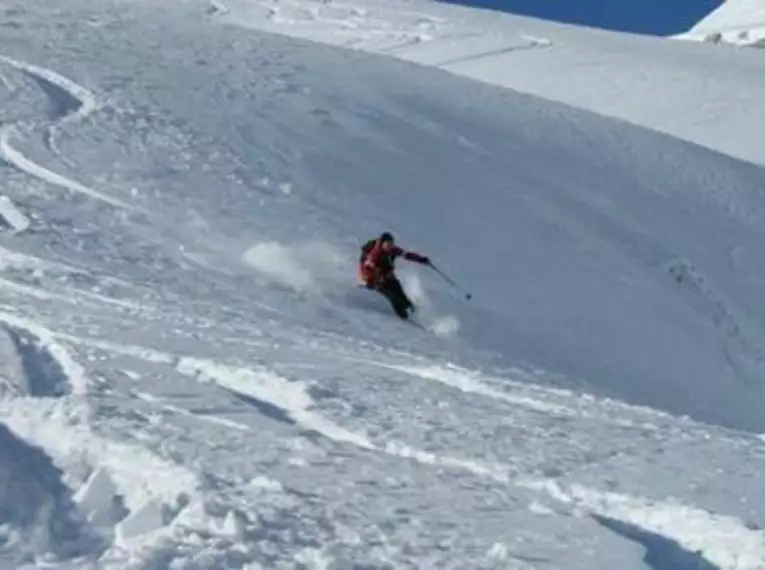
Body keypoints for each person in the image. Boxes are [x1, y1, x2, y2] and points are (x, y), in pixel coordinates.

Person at [358, 232, 430, 319]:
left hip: (386, 275)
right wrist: (370, 281)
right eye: (387, 244)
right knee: (392, 296)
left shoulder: (393, 250)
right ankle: (403, 317)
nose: (389, 246)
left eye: (391, 244)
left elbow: (407, 255)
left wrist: (421, 259)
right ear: (382, 243)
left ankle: (411, 308)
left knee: (399, 291)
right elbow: (367, 268)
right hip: (374, 278)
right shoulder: (375, 254)